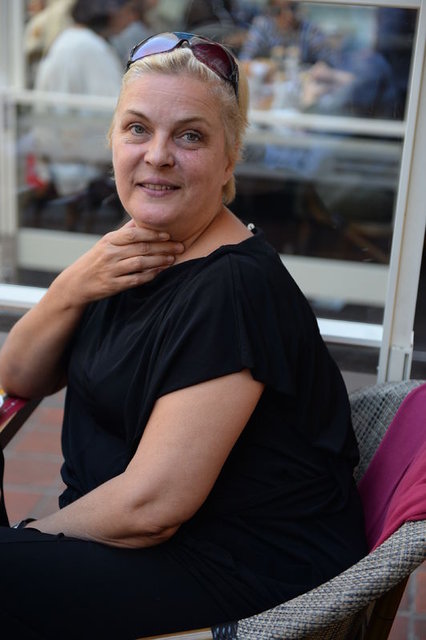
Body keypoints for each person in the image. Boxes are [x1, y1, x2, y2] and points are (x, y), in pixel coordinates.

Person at [0, 32, 367, 639]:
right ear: (113, 139)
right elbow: (19, 375)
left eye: (190, 136)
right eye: (137, 128)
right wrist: (71, 286)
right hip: (136, 536)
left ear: (230, 158)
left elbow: (154, 508)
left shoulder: (233, 287)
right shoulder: (135, 249)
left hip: (235, 564)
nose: (158, 155)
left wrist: (27, 541)